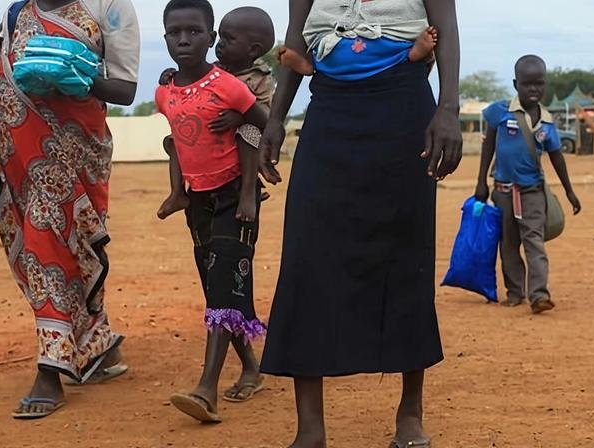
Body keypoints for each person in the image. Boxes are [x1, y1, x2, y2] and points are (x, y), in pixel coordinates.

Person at [257, 0, 463, 447]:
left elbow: (444, 23)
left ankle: (410, 412)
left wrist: (448, 109)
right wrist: (275, 118)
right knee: (306, 260)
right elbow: (296, 37)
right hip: (329, 109)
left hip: (404, 109)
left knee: (406, 255)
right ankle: (310, 428)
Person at [0, 0, 140, 419]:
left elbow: (125, 90)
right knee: (44, 254)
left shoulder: (109, 7)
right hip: (12, 155)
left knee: (53, 248)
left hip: (72, 156)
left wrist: (77, 73)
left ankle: (51, 369)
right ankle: (96, 347)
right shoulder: (15, 13)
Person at [155, 0, 271, 423]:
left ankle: (206, 389)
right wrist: (179, 188)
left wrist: (247, 195)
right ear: (165, 37)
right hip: (198, 199)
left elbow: (261, 125)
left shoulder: (229, 84)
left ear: (210, 36)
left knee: (224, 286)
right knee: (216, 288)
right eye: (175, 33)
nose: (184, 40)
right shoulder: (165, 89)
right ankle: (253, 368)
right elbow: (178, 137)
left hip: (236, 198)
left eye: (195, 32)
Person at [475, 55, 582, 314]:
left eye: (539, 84)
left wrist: (569, 191)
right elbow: (488, 146)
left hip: (533, 192)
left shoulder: (547, 122)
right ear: (516, 84)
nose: (534, 89)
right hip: (502, 192)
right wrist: (481, 184)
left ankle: (539, 295)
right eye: (527, 84)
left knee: (535, 243)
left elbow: (557, 157)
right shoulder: (499, 112)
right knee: (508, 245)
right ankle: (515, 293)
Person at [157, 6, 276, 223]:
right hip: (213, 139)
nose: (220, 44)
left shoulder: (260, 78)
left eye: (229, 39)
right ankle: (177, 192)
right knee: (175, 140)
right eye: (220, 37)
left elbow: (266, 115)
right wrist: (171, 75)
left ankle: (249, 192)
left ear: (252, 50)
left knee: (247, 132)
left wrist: (240, 117)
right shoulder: (215, 70)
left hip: (247, 141)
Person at [278, 26, 438, 76]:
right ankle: (308, 65)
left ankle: (413, 54)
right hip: (331, 49)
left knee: (400, 42)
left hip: (392, 57)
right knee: (317, 37)